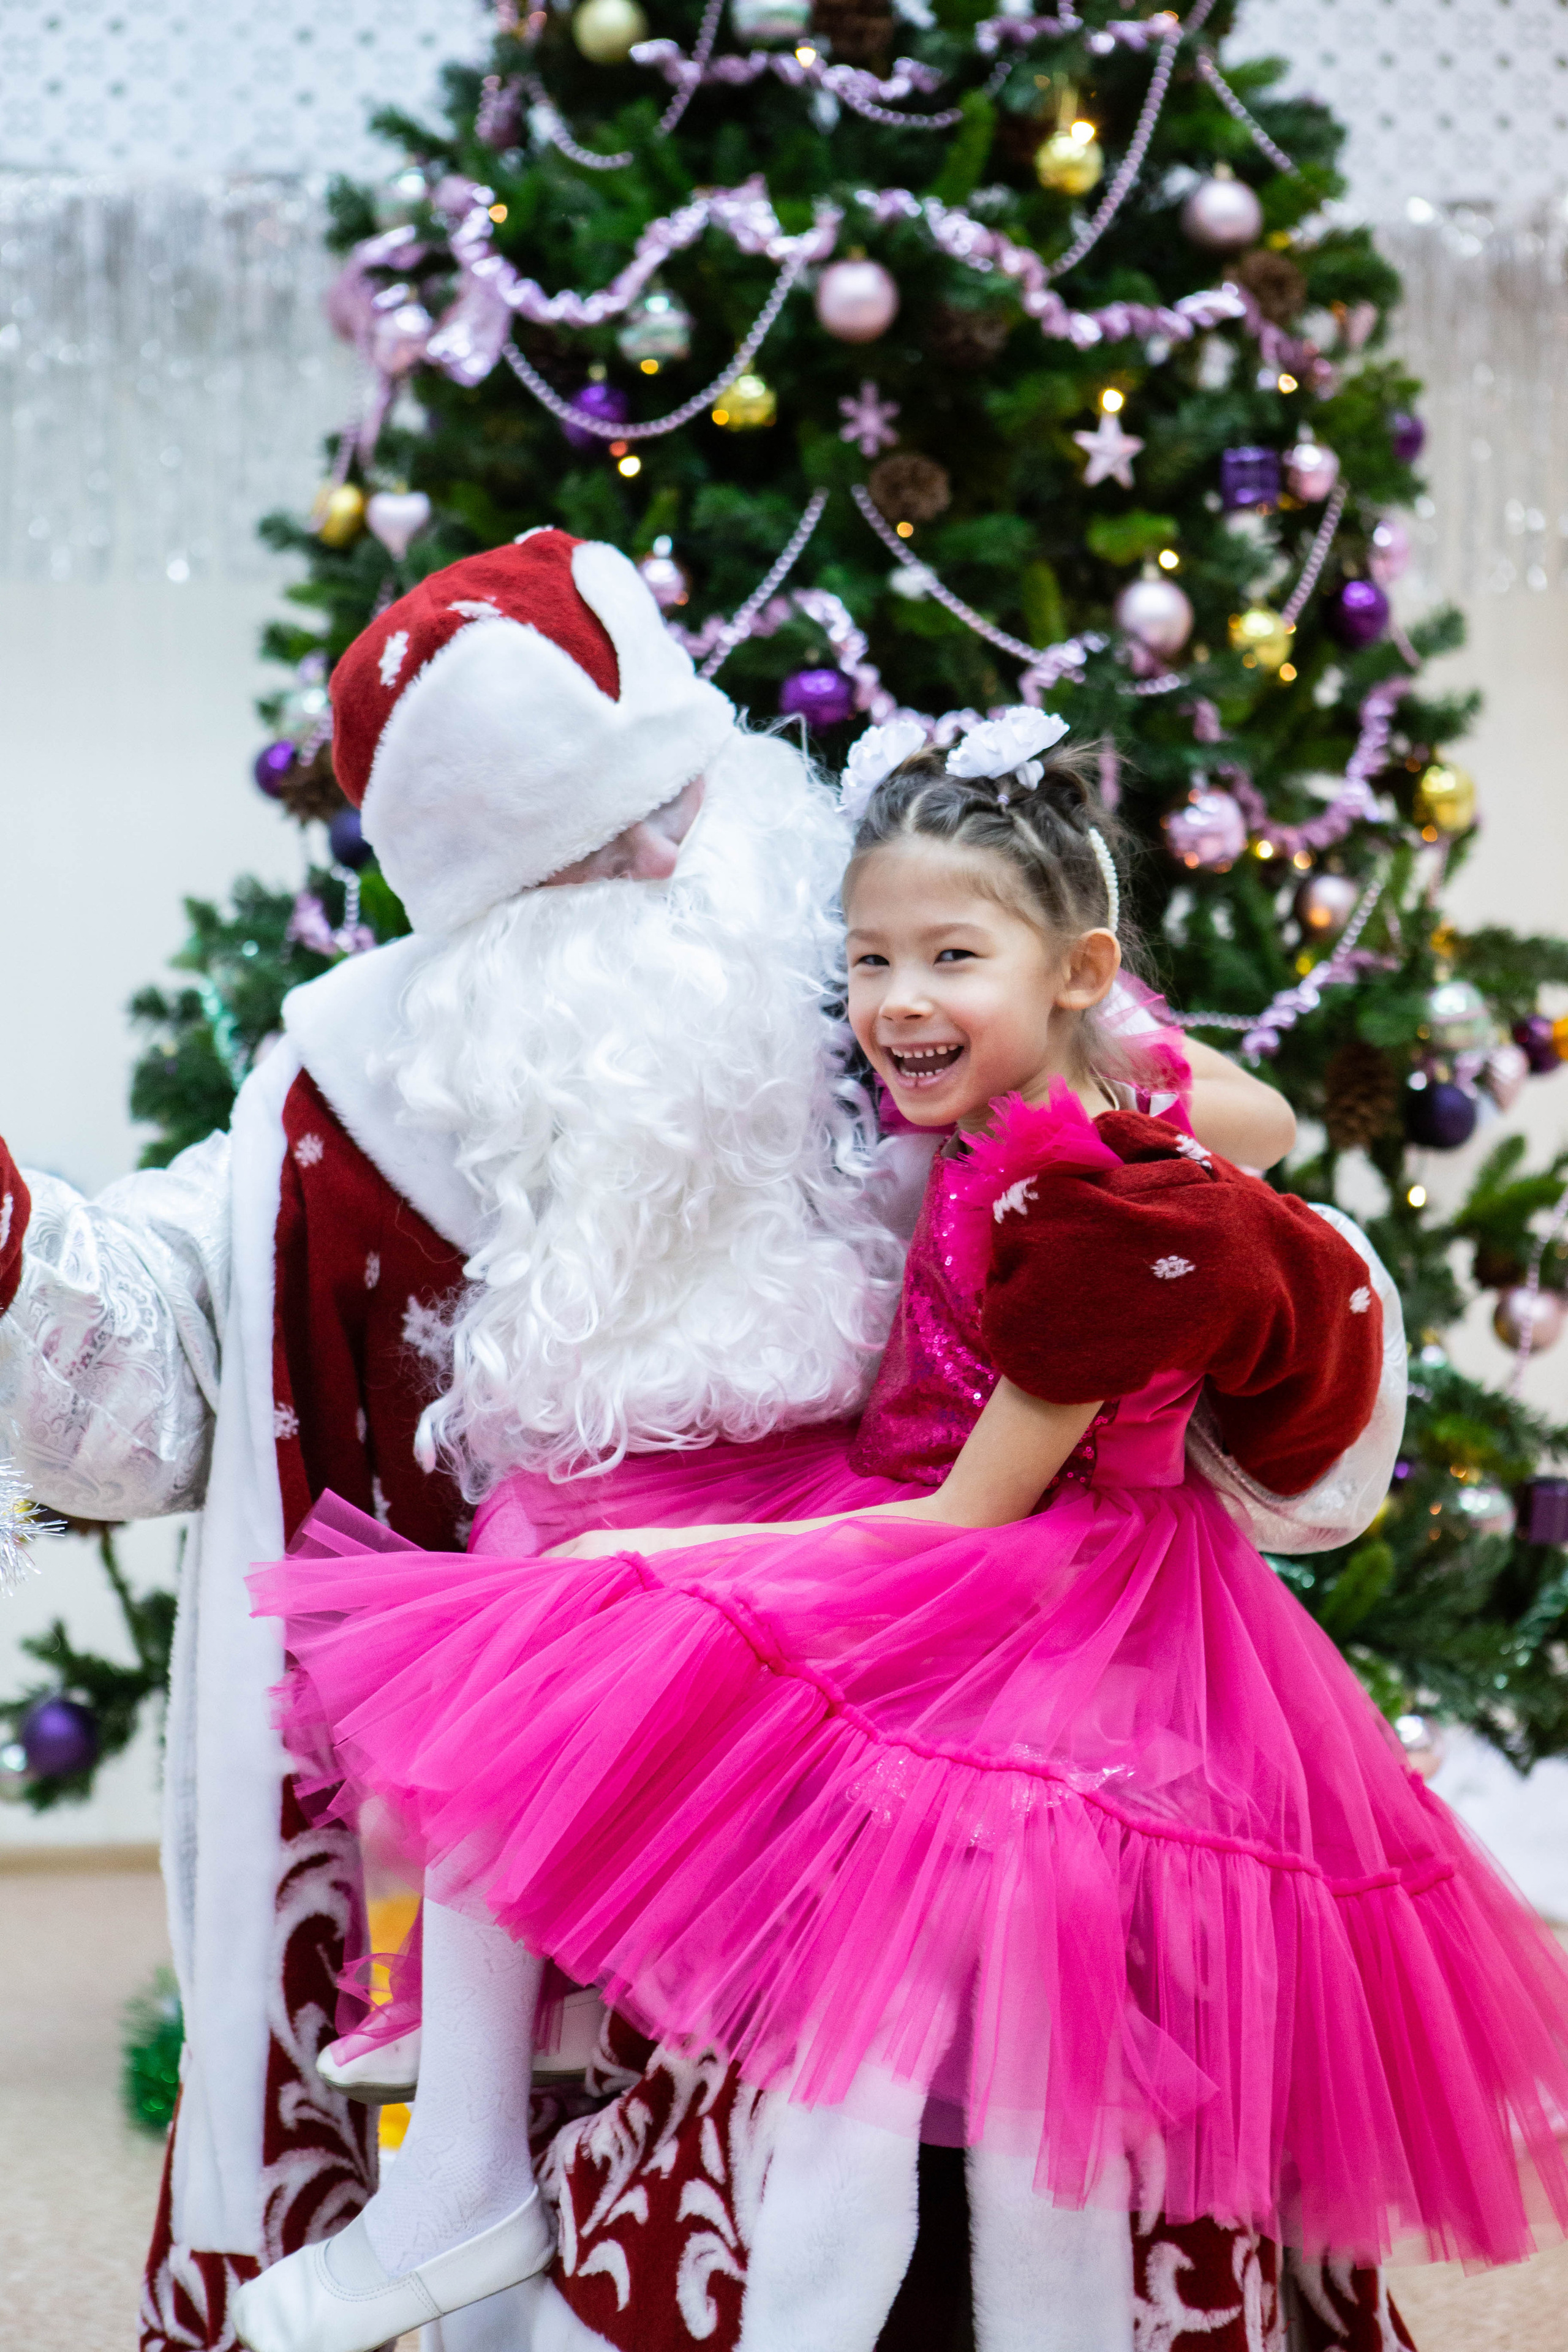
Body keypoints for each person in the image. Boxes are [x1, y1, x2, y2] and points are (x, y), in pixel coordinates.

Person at [233, 707, 1539, 2352]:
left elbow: (970, 1512)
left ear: (1071, 965)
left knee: (568, 1618)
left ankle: (539, 2195)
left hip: (1033, 1578)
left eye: (950, 959)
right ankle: (470, 2168)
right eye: (868, 961)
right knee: (537, 1558)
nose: (897, 1004)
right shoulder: (1033, 1106)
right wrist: (1090, 1030)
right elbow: (1262, 1116)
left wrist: (661, 1567)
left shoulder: (1096, 1216)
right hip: (940, 1506)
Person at [0, 529, 906, 2352]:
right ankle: (473, 2185)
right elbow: (152, 1382)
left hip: (920, 1719)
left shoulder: (893, 960)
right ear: (484, 921)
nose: (671, 860)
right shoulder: (353, 1104)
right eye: (592, 858)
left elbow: (1149, 1213)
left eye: (686, 801)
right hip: (575, 1775)